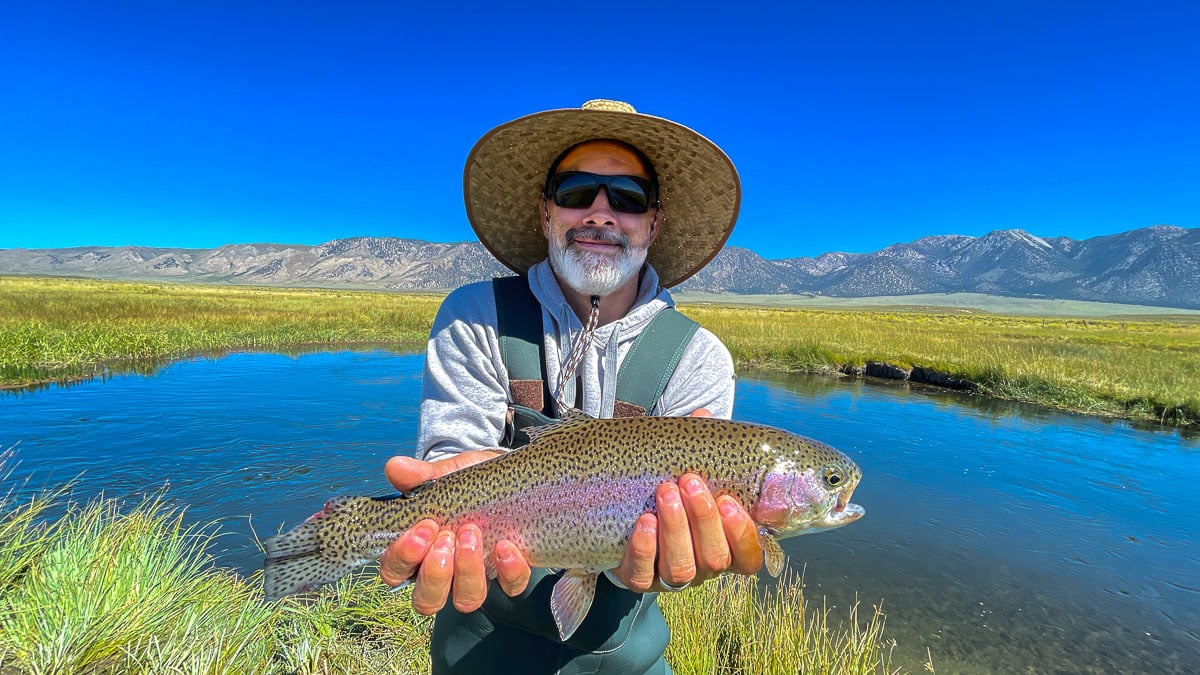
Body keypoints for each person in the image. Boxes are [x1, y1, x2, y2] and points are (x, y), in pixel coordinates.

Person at [378, 99, 762, 674]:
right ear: (545, 213)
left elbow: (680, 545)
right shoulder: (473, 316)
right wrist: (445, 498)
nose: (600, 214)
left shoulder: (699, 359)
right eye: (577, 191)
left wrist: (673, 556)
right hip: (476, 635)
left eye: (627, 198)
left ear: (653, 222)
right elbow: (451, 457)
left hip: (625, 654)